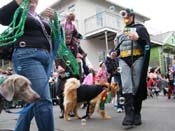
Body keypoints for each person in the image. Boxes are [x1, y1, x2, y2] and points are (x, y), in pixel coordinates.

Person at [0, 0, 56, 130]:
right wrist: (18, 2)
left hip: (45, 59)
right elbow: (2, 16)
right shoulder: (19, 13)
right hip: (27, 55)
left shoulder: (40, 17)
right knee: (43, 100)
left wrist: (55, 20)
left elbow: (54, 37)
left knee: (32, 100)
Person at [115, 8, 150, 126]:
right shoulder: (120, 32)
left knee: (136, 86)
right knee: (126, 86)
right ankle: (128, 114)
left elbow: (147, 45)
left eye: (128, 16)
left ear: (132, 16)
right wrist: (114, 52)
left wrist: (138, 39)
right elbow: (118, 48)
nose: (126, 18)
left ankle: (137, 113)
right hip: (123, 60)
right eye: (124, 16)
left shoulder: (140, 28)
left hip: (138, 58)